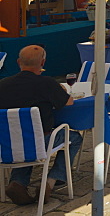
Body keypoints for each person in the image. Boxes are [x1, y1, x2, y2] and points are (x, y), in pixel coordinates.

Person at [0, 46, 80, 205]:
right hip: (39, 142)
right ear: (42, 62)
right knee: (74, 138)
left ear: (18, 62)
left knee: (24, 144)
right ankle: (50, 181)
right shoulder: (47, 83)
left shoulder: (3, 84)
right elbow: (69, 102)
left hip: (7, 142)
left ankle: (18, 183)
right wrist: (60, 89)